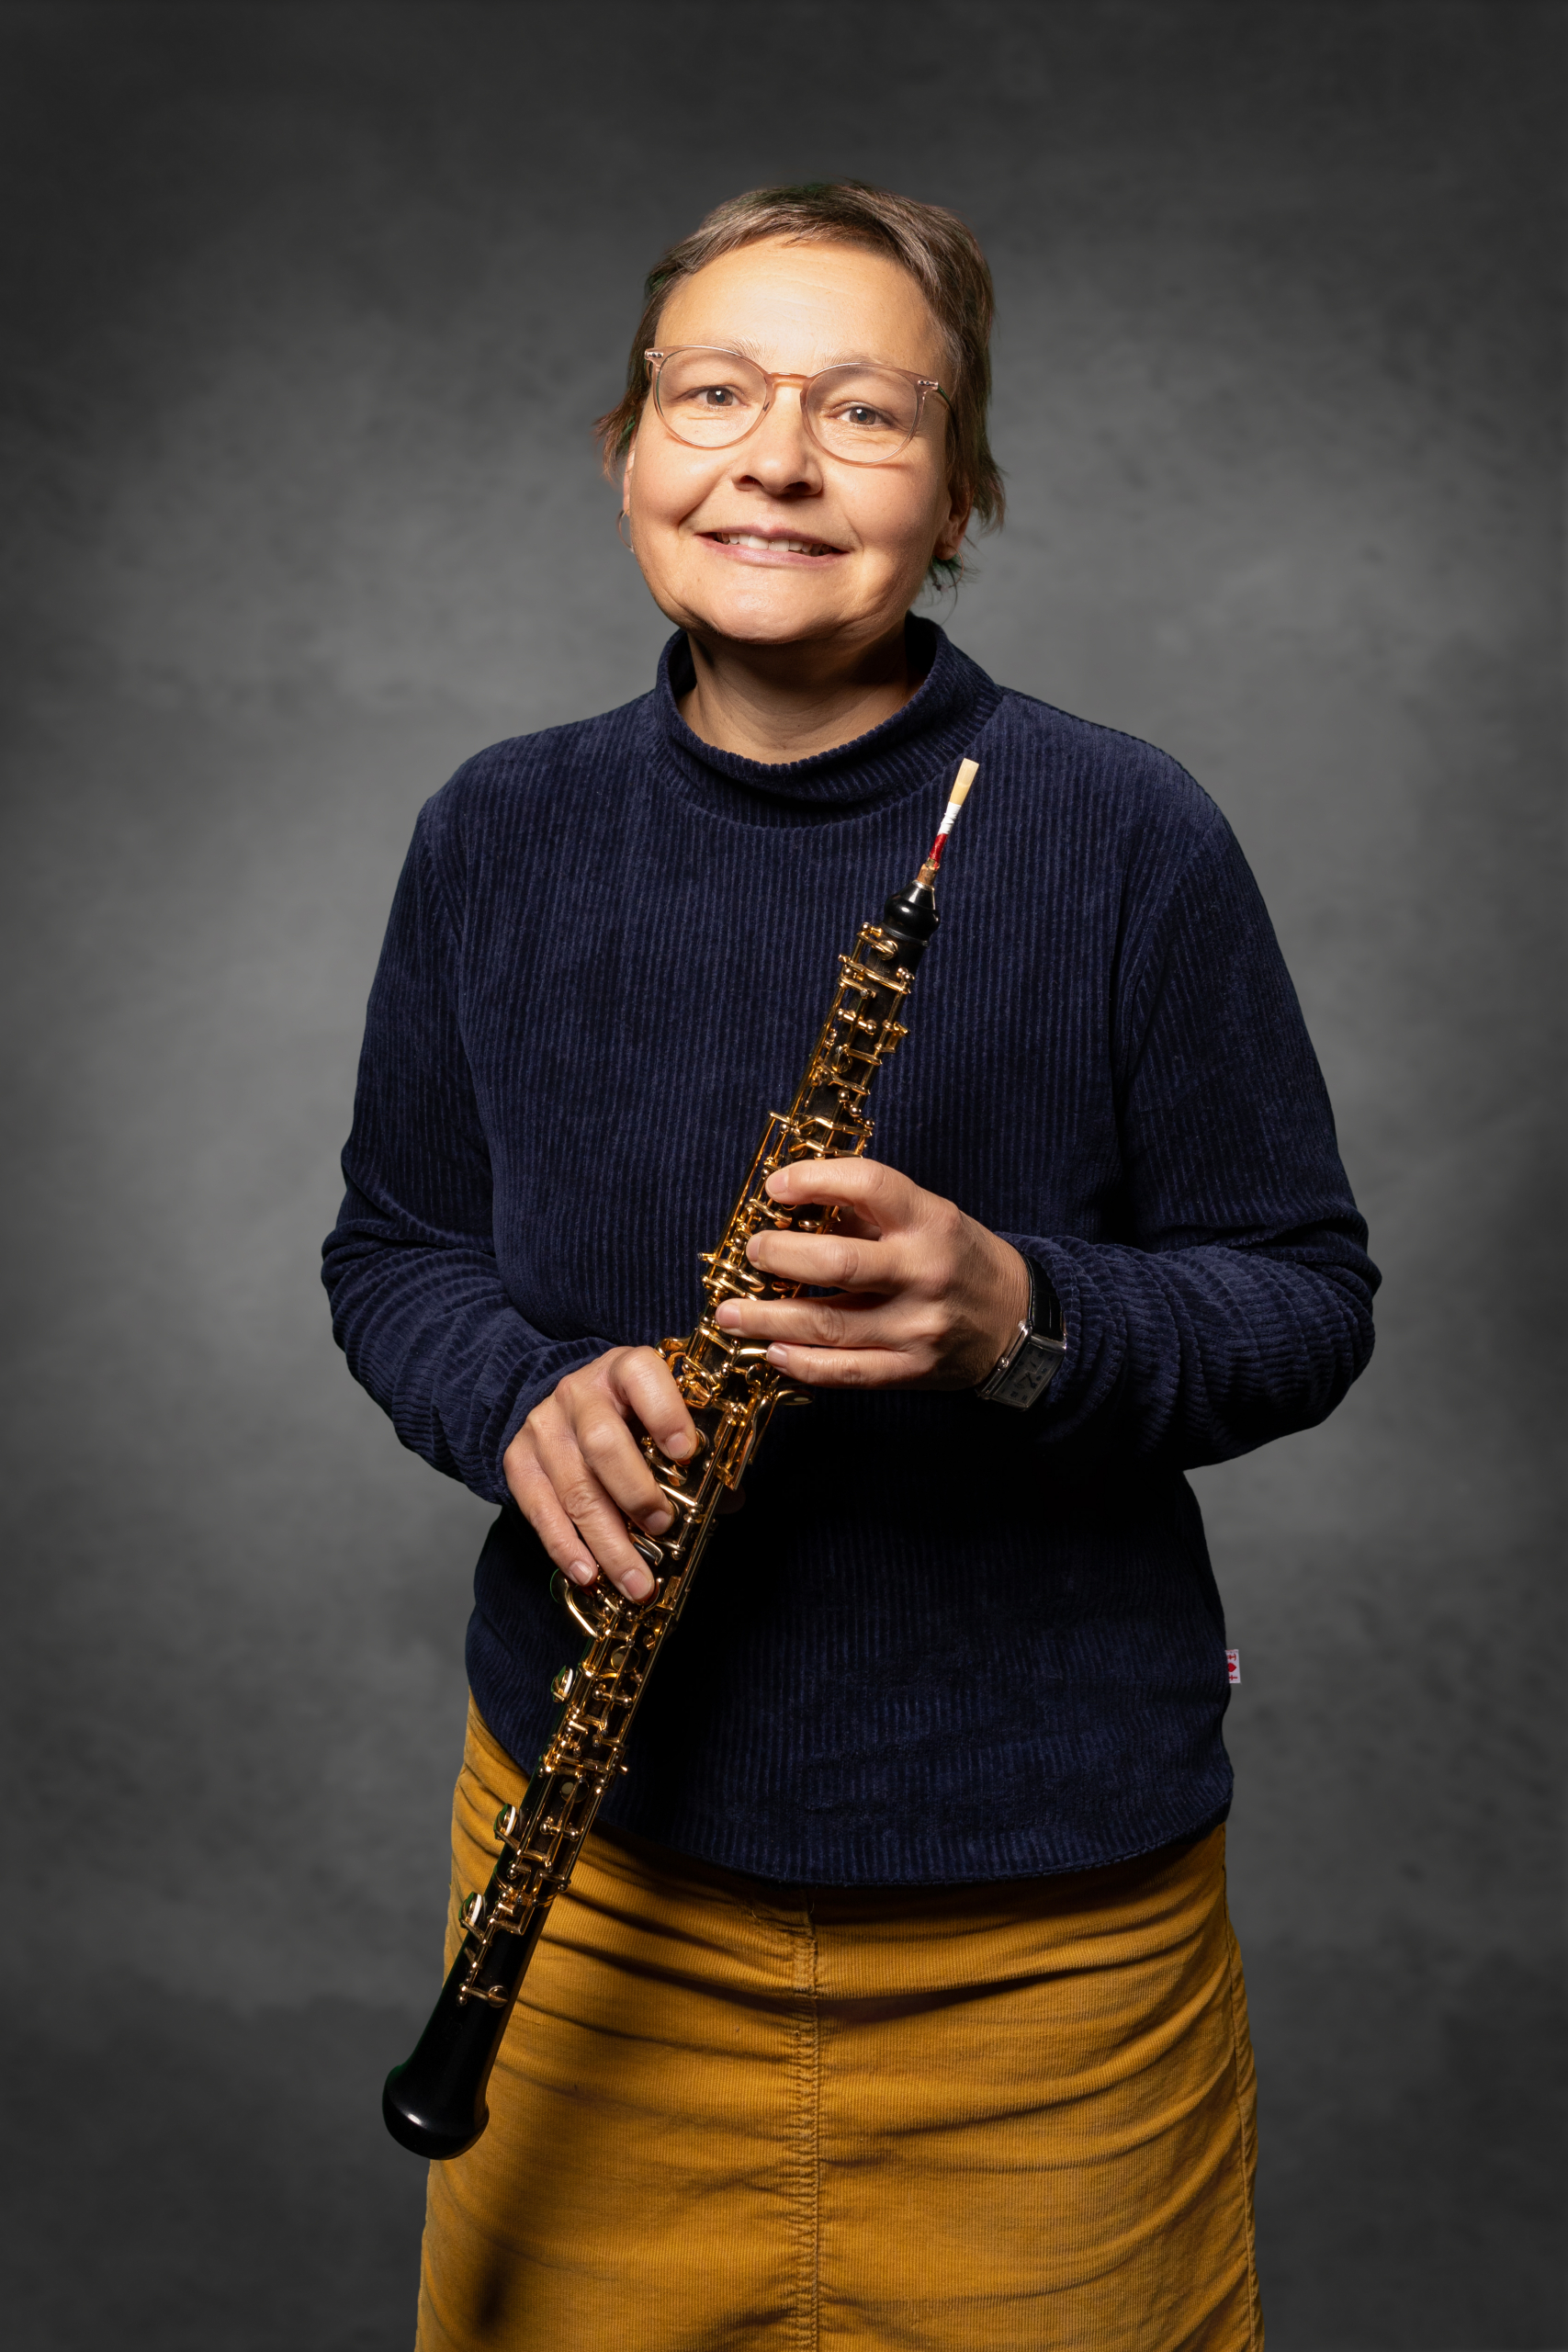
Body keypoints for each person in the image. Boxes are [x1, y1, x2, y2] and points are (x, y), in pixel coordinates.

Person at [324, 180, 1376, 2352]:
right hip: (596, 1882)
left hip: (1044, 1953)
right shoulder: (493, 830)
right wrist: (513, 1391)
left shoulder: (1118, 827)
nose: (771, 459)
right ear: (627, 440)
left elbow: (1299, 1287)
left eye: (862, 413)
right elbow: (399, 1247)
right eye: (712, 391)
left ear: (957, 492)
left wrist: (1022, 1323)